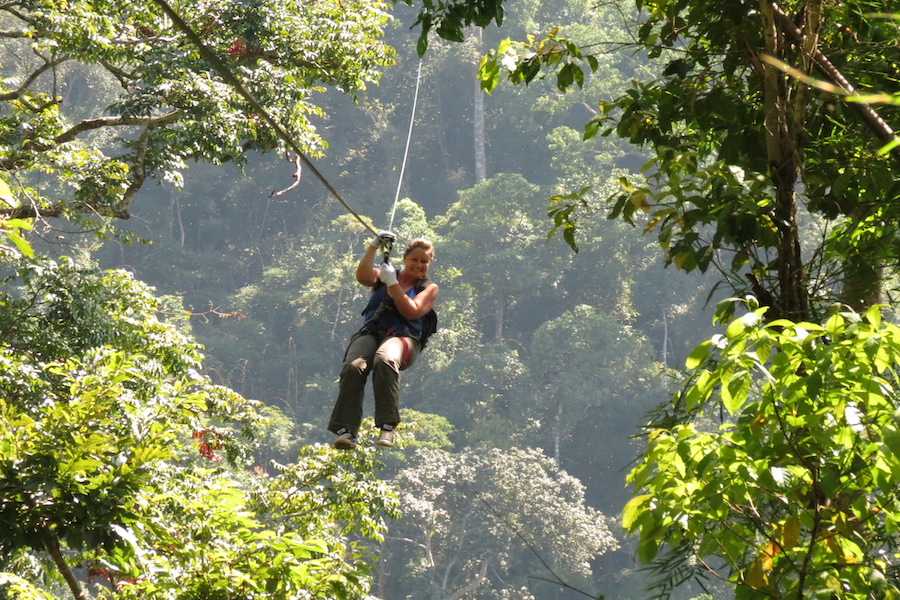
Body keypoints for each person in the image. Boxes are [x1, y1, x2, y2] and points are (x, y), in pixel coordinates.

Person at [328, 232, 439, 449]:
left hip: (404, 338)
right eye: (414, 259)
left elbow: (412, 311)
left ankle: (387, 427)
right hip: (372, 332)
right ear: (405, 258)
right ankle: (346, 431)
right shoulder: (384, 275)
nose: (418, 265)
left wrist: (393, 284)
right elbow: (363, 276)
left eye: (424, 261)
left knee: (385, 360)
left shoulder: (428, 288)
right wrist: (373, 246)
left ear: (430, 263)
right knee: (353, 367)